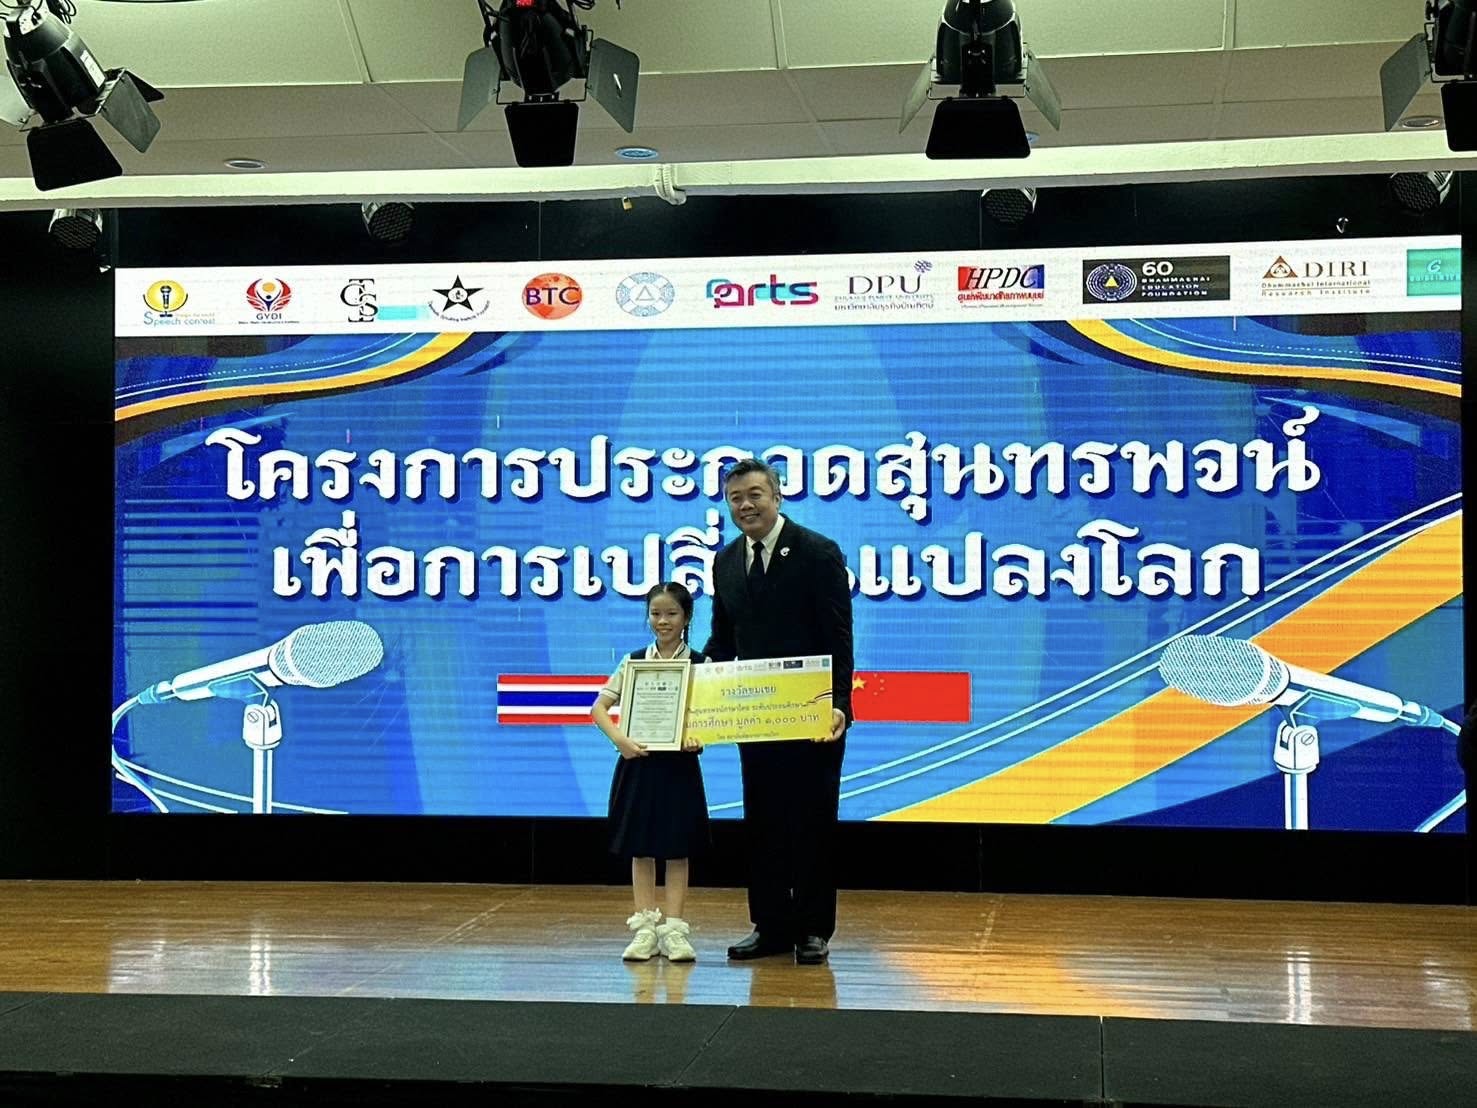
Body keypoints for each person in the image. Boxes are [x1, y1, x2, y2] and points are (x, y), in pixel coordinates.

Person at [703, 457, 854, 965]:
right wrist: (688, 683)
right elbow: (723, 642)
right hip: (756, 715)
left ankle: (812, 929)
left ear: (777, 496)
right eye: (735, 498)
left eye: (754, 495)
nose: (745, 505)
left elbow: (838, 636)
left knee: (811, 821)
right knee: (763, 822)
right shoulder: (726, 561)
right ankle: (769, 925)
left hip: (814, 716)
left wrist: (840, 704)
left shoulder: (817, 552)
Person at [593, 582, 710, 962]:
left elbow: (711, 717)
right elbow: (598, 708)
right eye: (656, 614)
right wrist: (621, 740)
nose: (663, 621)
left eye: (671, 613)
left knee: (677, 849)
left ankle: (674, 931)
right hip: (639, 764)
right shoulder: (634, 662)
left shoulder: (702, 664)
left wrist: (699, 737)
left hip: (679, 768)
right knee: (640, 849)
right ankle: (644, 930)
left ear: (687, 617)